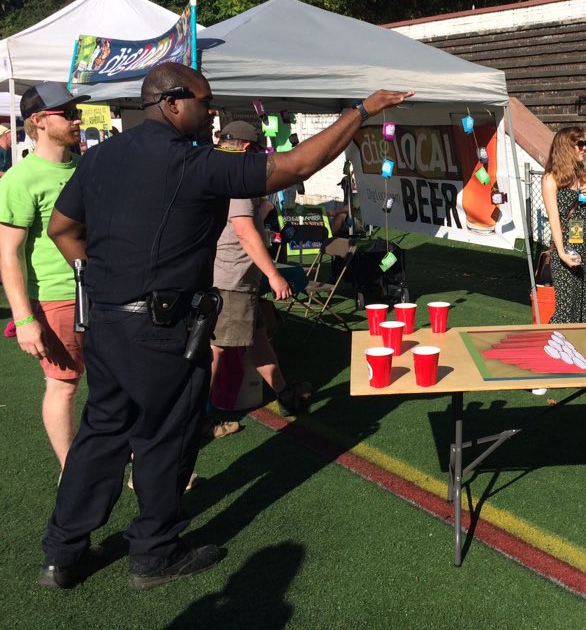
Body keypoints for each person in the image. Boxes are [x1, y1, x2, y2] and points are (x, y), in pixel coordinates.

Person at [40, 61, 413, 589]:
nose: (211, 109)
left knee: (100, 434)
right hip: (161, 329)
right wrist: (362, 110)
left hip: (105, 322)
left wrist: (102, 278)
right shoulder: (194, 163)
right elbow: (296, 166)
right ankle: (154, 553)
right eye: (204, 99)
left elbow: (62, 228)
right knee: (164, 439)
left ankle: (63, 553)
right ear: (171, 102)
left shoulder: (100, 157)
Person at [0, 83, 89, 473]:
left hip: (104, 293)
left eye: (76, 111)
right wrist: (23, 319)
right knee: (64, 385)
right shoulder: (20, 179)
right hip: (57, 299)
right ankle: (72, 474)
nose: (77, 119)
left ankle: (138, 463)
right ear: (38, 121)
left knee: (118, 382)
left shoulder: (86, 166)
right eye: (66, 113)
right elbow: (7, 254)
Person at [209, 121, 311, 418]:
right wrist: (274, 275)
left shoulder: (216, 170)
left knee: (258, 340)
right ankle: (193, 420)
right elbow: (243, 230)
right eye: (257, 151)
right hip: (233, 279)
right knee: (216, 350)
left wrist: (261, 209)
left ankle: (284, 394)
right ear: (245, 148)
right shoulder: (237, 178)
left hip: (231, 275)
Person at [541, 127, 586, 324]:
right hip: (565, 244)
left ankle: (583, 349)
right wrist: (562, 253)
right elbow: (554, 220)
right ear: (567, 148)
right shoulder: (551, 179)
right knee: (566, 308)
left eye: (585, 144)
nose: (584, 148)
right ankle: (552, 344)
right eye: (580, 144)